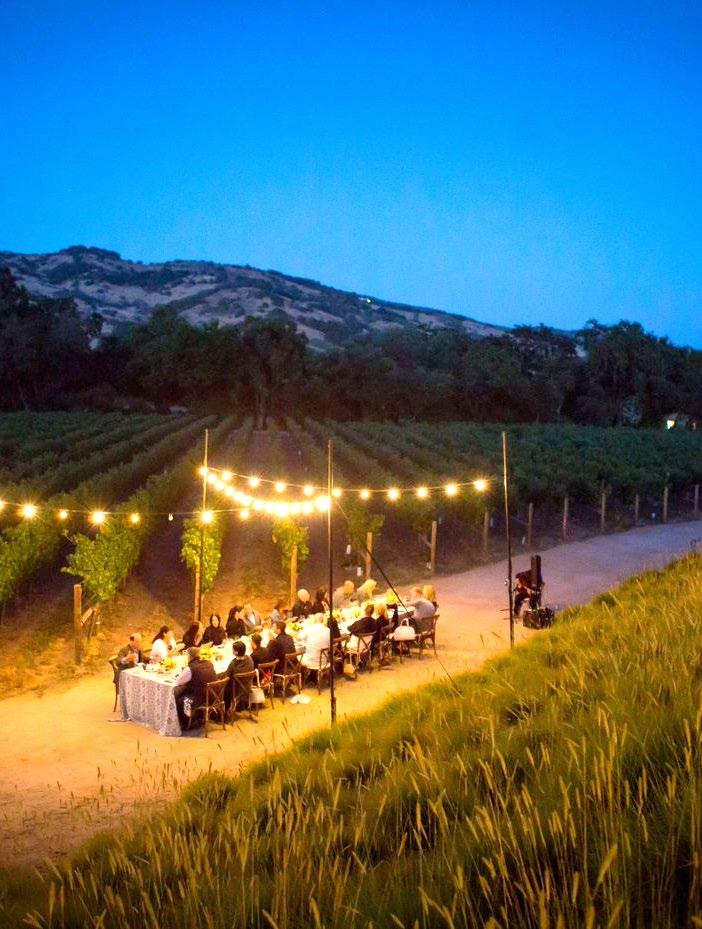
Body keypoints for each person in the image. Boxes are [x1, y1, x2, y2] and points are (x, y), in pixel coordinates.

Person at [173, 647, 217, 730]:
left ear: (190, 656)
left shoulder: (190, 668)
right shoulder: (209, 663)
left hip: (198, 698)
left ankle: (188, 723)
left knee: (179, 700)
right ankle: (198, 716)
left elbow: (178, 682)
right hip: (212, 695)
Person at [225, 640, 255, 710]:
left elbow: (226, 677)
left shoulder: (233, 664)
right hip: (248, 687)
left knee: (225, 687)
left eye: (233, 649)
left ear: (236, 652)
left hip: (236, 689)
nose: (232, 650)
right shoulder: (249, 659)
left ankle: (226, 711)